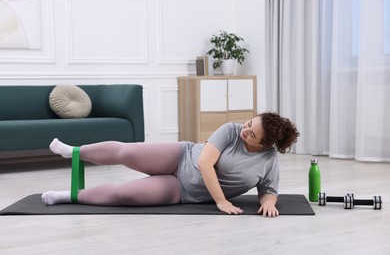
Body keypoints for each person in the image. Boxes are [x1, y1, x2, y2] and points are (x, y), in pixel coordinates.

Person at [42, 112, 299, 217]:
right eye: (250, 123)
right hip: (181, 156)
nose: (246, 130)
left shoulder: (268, 160)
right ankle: (73, 151)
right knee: (126, 151)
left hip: (184, 191)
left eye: (253, 134)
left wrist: (267, 202)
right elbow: (205, 162)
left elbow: (269, 189)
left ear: (265, 144)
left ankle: (68, 196)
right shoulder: (231, 130)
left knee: (124, 193)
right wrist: (221, 201)